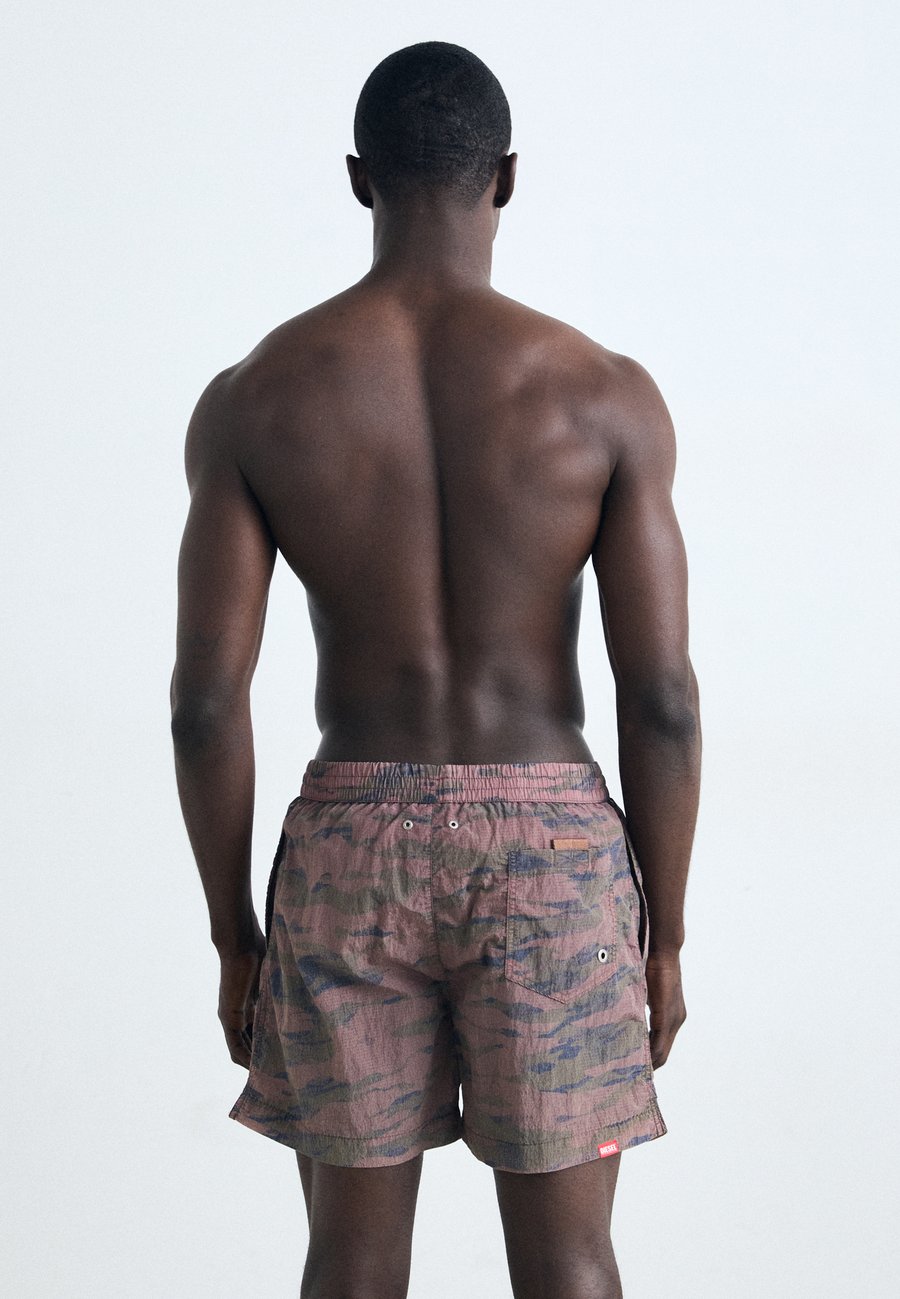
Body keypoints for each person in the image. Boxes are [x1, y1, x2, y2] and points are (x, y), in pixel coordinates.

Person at [171, 39, 701, 1299]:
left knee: (350, 1265)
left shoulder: (256, 398)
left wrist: (234, 937)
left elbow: (204, 703)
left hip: (350, 845)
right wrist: (666, 934)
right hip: (554, 856)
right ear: (505, 177)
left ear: (360, 179)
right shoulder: (604, 396)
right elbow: (664, 698)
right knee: (571, 1262)